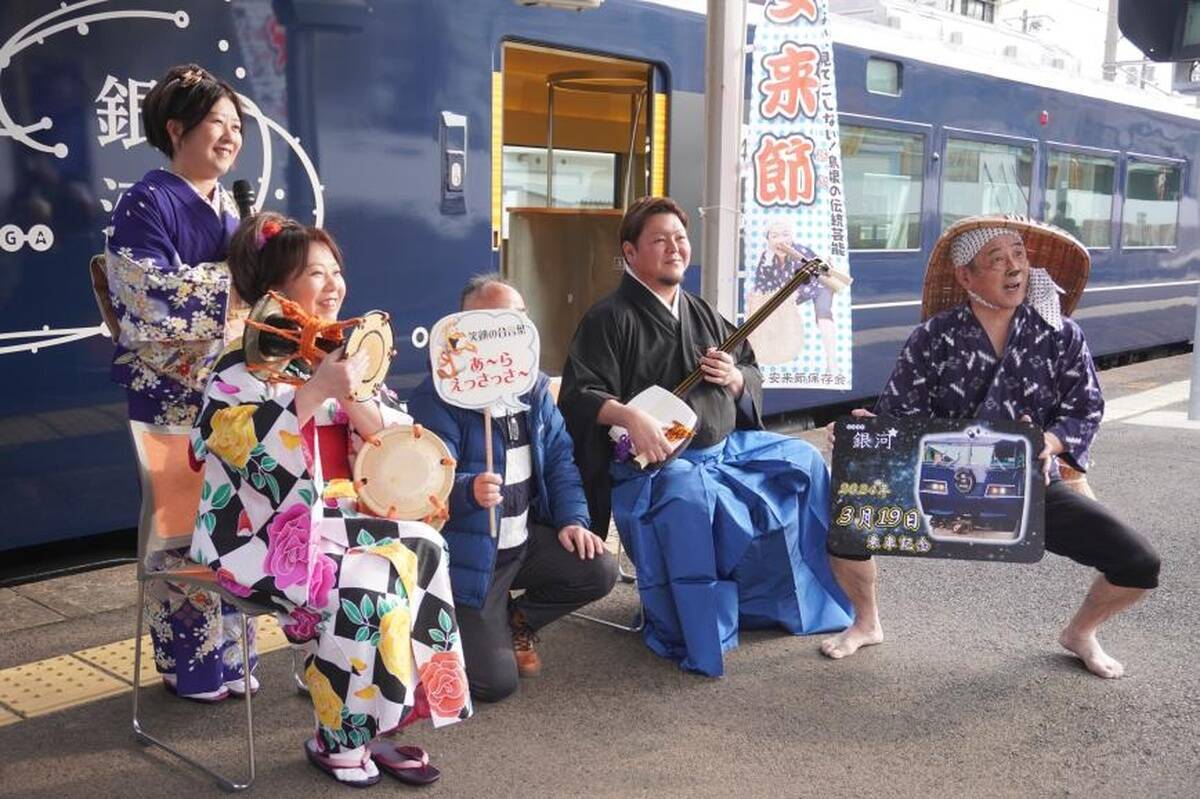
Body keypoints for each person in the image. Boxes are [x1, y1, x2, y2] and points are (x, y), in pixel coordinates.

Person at [189, 213, 472, 787]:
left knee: (426, 546)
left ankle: (384, 723)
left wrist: (352, 395)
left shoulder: (344, 354)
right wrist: (317, 389)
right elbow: (234, 444)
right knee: (368, 583)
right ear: (277, 286)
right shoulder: (238, 366)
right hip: (256, 535)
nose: (333, 283)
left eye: (336, 271)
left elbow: (392, 445)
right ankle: (336, 740)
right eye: (315, 272)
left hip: (331, 521)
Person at [822, 216, 1161, 679]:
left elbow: (1085, 408)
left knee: (1139, 562)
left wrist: (1052, 439)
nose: (1013, 267)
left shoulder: (1059, 333)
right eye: (996, 260)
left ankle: (1080, 633)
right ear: (966, 277)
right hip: (939, 484)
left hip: (1025, 485)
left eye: (1018, 255)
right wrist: (863, 432)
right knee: (847, 518)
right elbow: (900, 416)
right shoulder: (934, 336)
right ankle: (866, 621)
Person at [560, 196, 852, 677]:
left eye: (680, 238)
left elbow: (751, 370)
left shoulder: (700, 311)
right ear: (631, 253)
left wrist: (734, 378)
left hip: (725, 450)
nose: (675, 248)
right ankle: (698, 633)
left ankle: (783, 605)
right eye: (660, 240)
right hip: (659, 467)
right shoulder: (609, 318)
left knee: (803, 461)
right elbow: (579, 393)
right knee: (688, 495)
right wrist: (631, 416)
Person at [104, 63, 258, 702]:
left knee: (234, 517)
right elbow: (147, 296)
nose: (230, 136)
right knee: (181, 527)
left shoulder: (229, 203)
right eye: (217, 123)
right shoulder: (147, 200)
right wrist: (242, 290)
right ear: (176, 128)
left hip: (231, 392)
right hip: (171, 395)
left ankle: (230, 648)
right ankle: (190, 662)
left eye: (236, 125)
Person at [407, 275, 617, 702]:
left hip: (523, 543)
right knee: (494, 684)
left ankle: (516, 618)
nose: (509, 329)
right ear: (464, 330)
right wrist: (466, 491)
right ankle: (454, 620)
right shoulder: (439, 393)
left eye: (518, 318)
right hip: (470, 559)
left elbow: (560, 461)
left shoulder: (535, 387)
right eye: (496, 320)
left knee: (598, 567)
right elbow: (422, 479)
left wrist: (573, 520)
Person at [751, 219, 837, 372]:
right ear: (768, 240)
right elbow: (761, 285)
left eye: (785, 234)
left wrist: (793, 294)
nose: (781, 240)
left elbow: (818, 275)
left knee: (823, 315)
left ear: (792, 237)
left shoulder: (801, 253)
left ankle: (832, 364)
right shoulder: (766, 258)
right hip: (792, 293)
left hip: (820, 285)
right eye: (775, 236)